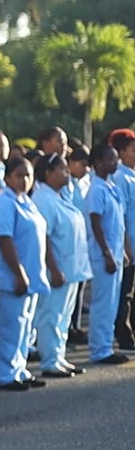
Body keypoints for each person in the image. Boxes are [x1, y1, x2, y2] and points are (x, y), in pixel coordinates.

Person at [0, 156, 50, 391]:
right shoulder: (4, 202)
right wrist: (18, 273)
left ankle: (20, 368)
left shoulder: (26, 200)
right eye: (19, 175)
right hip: (14, 275)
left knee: (25, 327)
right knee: (11, 326)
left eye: (28, 175)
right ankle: (6, 374)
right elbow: (4, 238)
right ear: (7, 178)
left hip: (32, 274)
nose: (25, 179)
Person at [31, 153, 89, 378]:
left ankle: (59, 355)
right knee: (51, 316)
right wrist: (53, 268)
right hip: (57, 268)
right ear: (48, 173)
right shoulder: (43, 199)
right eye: (62, 169)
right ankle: (50, 360)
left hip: (71, 268)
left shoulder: (60, 195)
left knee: (64, 316)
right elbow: (43, 237)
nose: (67, 173)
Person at [84, 142, 128, 366]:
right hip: (104, 255)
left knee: (111, 303)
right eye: (110, 159)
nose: (115, 162)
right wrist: (107, 253)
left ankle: (106, 346)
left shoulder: (110, 186)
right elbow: (95, 222)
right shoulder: (96, 189)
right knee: (103, 304)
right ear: (98, 162)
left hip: (116, 253)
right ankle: (99, 350)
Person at [107, 130, 135, 349]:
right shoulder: (120, 177)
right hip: (129, 244)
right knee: (124, 293)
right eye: (133, 150)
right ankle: (124, 336)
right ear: (121, 151)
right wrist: (126, 246)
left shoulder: (132, 174)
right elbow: (122, 215)